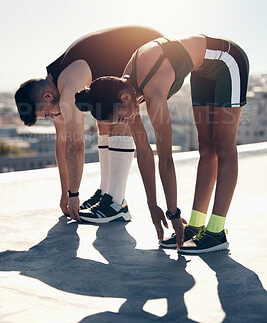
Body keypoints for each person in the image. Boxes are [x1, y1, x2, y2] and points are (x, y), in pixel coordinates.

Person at [75, 35, 249, 253]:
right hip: (202, 73)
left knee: (224, 145)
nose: (126, 122)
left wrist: (172, 213)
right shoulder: (124, 89)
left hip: (227, 62)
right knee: (206, 148)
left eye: (121, 118)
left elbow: (165, 159)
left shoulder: (153, 92)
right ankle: (194, 226)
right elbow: (145, 153)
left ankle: (216, 232)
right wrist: (152, 205)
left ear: (125, 99)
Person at [14, 26, 164, 222]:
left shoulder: (68, 86)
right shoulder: (57, 86)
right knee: (103, 120)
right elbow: (62, 144)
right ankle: (105, 193)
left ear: (47, 96)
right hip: (130, 53)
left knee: (119, 120)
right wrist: (66, 193)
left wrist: (74, 195)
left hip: (154, 52)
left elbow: (76, 145)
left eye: (46, 114)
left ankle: (117, 203)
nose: (52, 117)